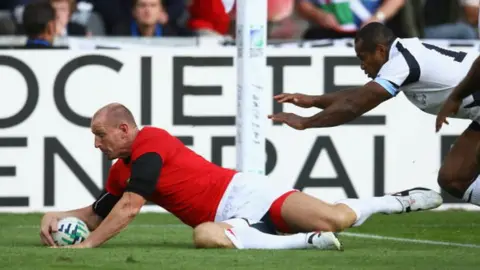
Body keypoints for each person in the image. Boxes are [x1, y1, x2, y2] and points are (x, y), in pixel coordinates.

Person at [40, 103, 442, 250]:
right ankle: (307, 243)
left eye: (100, 134)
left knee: (336, 217)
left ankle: (397, 201)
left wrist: (88, 246)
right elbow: (101, 209)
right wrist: (57, 216)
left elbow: (129, 208)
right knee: (206, 235)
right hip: (226, 220)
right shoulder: (119, 171)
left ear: (124, 130)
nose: (96, 143)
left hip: (246, 192)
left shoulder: (152, 142)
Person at [268, 22, 480, 209]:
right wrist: (313, 101)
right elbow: (359, 96)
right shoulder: (403, 55)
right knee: (454, 179)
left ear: (380, 50)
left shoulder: (402, 62)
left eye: (363, 58)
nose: (362, 65)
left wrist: (305, 123)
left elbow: (354, 106)